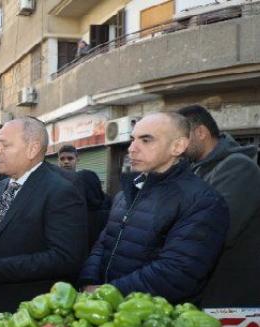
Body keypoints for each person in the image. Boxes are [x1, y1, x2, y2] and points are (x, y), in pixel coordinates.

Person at [80, 112, 229, 303]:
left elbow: (177, 274)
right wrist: (88, 282)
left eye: (146, 140)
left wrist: (106, 292)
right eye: (133, 140)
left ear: (178, 146)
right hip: (106, 313)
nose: (132, 149)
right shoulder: (126, 193)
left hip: (153, 320)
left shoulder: (203, 201)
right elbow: (103, 244)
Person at [0, 118, 88, 323]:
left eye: (4, 144)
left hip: (27, 317)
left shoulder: (61, 191)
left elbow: (64, 258)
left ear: (32, 148)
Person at [177, 104, 260, 307]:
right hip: (207, 292)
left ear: (201, 133)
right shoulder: (196, 170)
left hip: (232, 298)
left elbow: (216, 231)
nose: (177, 145)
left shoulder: (238, 167)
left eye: (181, 138)